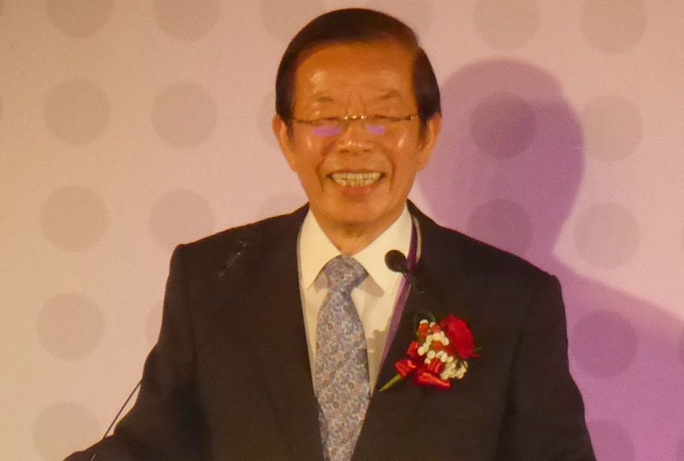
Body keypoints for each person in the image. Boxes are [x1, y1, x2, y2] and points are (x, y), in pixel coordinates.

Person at [66, 8, 595, 461]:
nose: (354, 142)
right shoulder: (212, 278)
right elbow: (151, 446)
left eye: (384, 116)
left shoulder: (512, 300)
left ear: (427, 136)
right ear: (286, 137)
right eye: (326, 118)